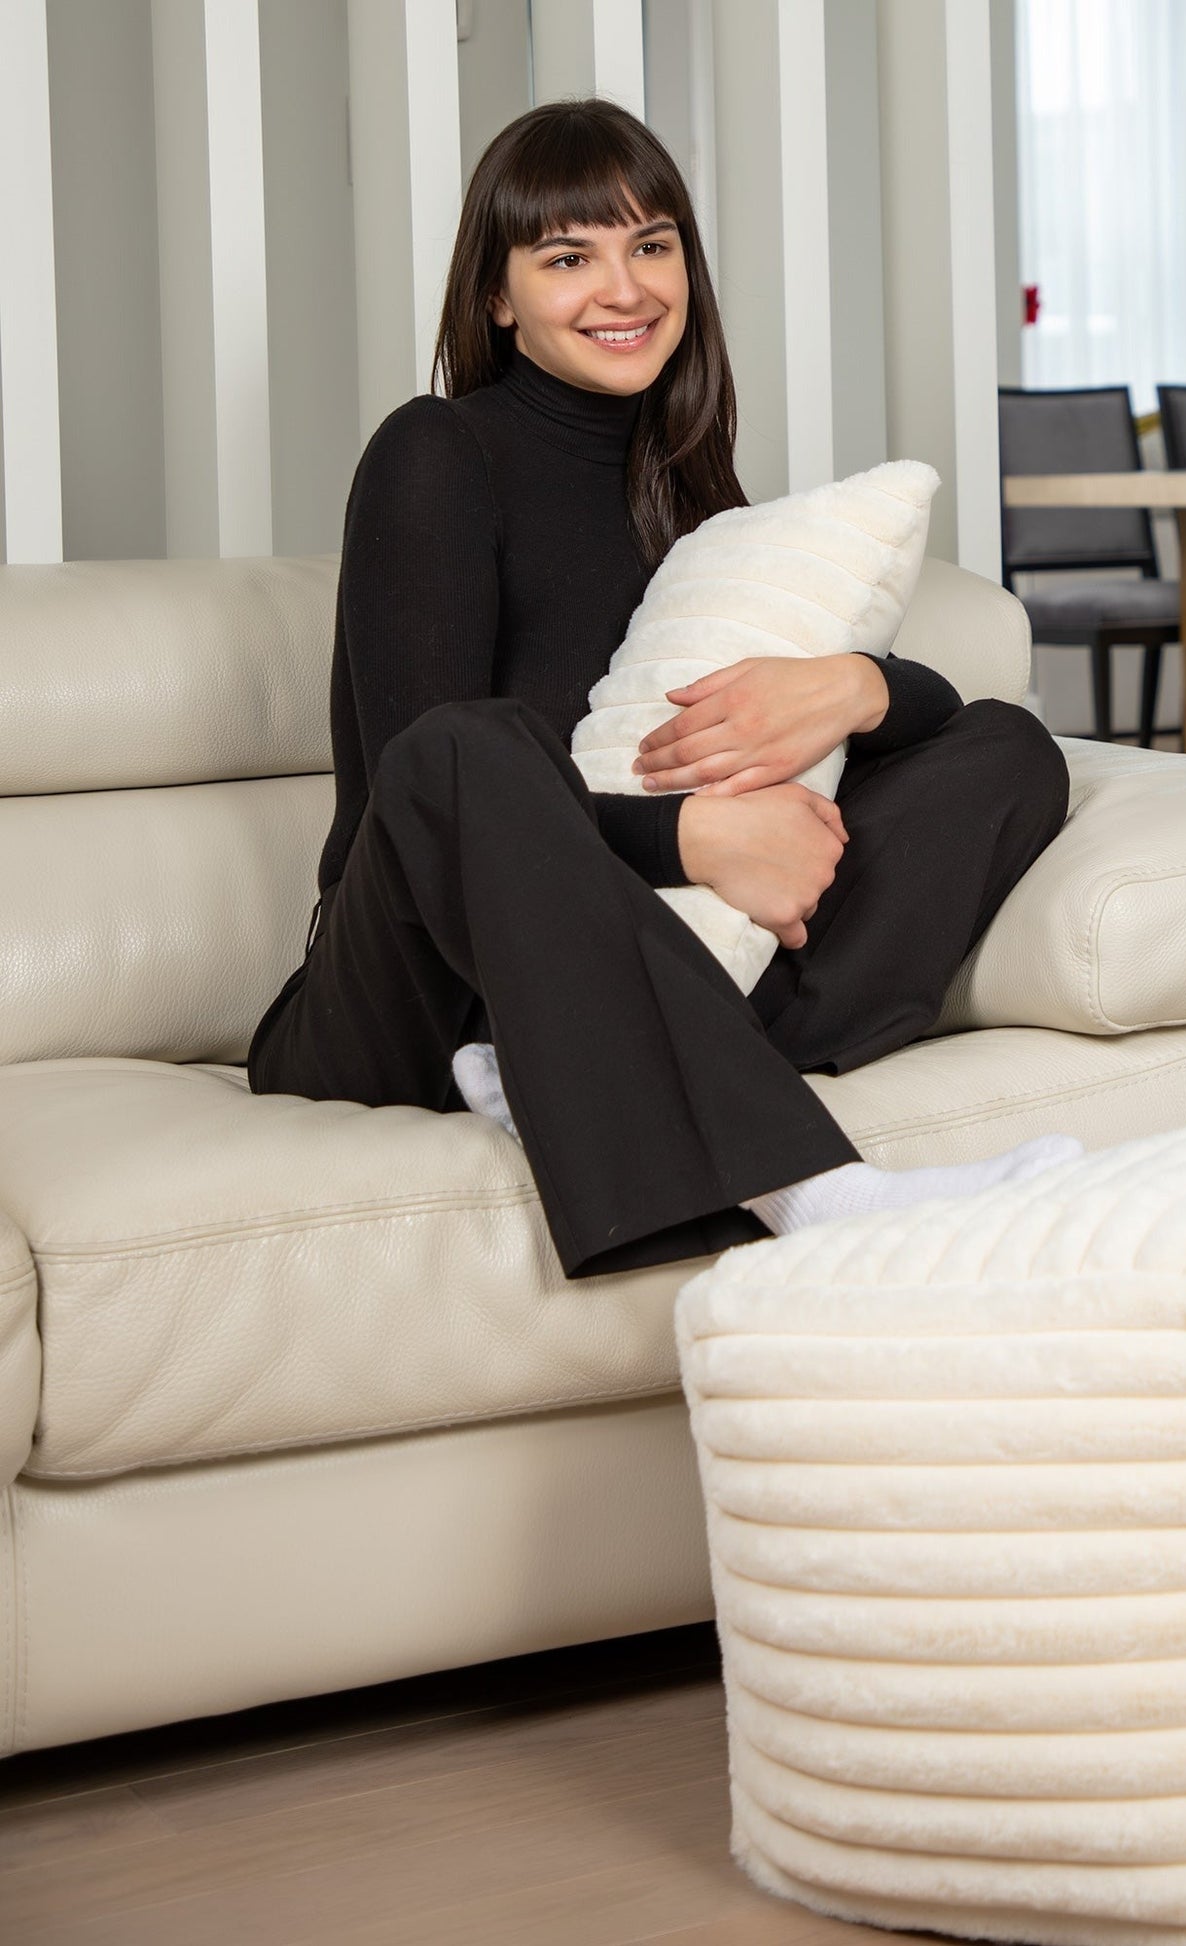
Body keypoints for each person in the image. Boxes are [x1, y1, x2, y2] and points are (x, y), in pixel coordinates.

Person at [247, 98, 1074, 1279]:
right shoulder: (435, 452)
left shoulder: (692, 499)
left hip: (623, 965)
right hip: (401, 1001)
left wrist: (852, 688)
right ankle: (811, 1185)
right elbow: (416, 802)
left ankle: (572, 1061)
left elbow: (897, 737)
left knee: (1004, 746)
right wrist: (697, 835)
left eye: (651, 245)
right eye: (567, 257)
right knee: (466, 747)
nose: (623, 288)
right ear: (498, 295)